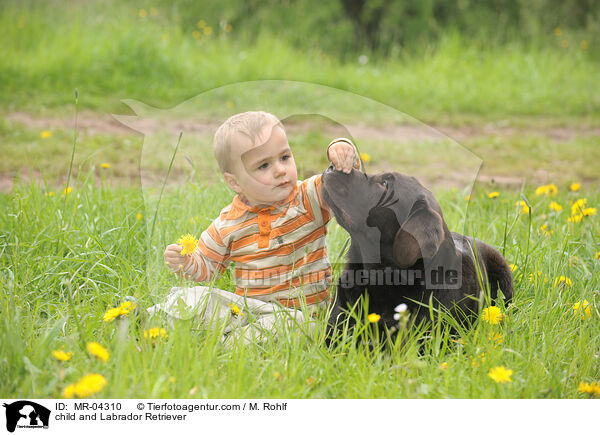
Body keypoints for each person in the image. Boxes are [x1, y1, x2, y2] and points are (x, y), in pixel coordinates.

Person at [149, 111, 361, 344]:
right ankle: (149, 320)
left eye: (284, 157)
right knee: (195, 297)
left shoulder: (307, 198)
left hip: (301, 315)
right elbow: (207, 267)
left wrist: (342, 150)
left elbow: (345, 185)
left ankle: (228, 346)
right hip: (245, 310)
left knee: (299, 327)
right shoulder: (228, 224)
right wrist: (187, 262)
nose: (280, 170)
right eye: (263, 166)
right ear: (234, 182)